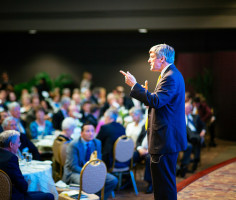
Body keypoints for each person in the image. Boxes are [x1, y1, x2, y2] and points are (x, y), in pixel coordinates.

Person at [120, 43, 187, 200]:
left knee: (164, 186)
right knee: (163, 185)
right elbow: (162, 103)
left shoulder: (170, 77)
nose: (149, 60)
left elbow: (156, 102)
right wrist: (146, 95)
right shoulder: (170, 74)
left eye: (151, 57)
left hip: (164, 140)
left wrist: (134, 85)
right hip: (166, 139)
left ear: (162, 58)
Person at [0, 130, 54, 200]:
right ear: (11, 144)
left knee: (41, 193)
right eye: (18, 142)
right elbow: (23, 187)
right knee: (49, 196)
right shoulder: (11, 158)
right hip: (10, 197)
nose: (19, 145)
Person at [62, 123, 118, 199]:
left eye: (92, 131)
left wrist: (94, 172)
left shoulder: (97, 142)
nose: (91, 133)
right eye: (88, 131)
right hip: (75, 172)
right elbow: (73, 166)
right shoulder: (74, 145)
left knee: (113, 180)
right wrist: (89, 173)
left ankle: (98, 198)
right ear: (81, 133)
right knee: (88, 182)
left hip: (92, 171)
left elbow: (98, 161)